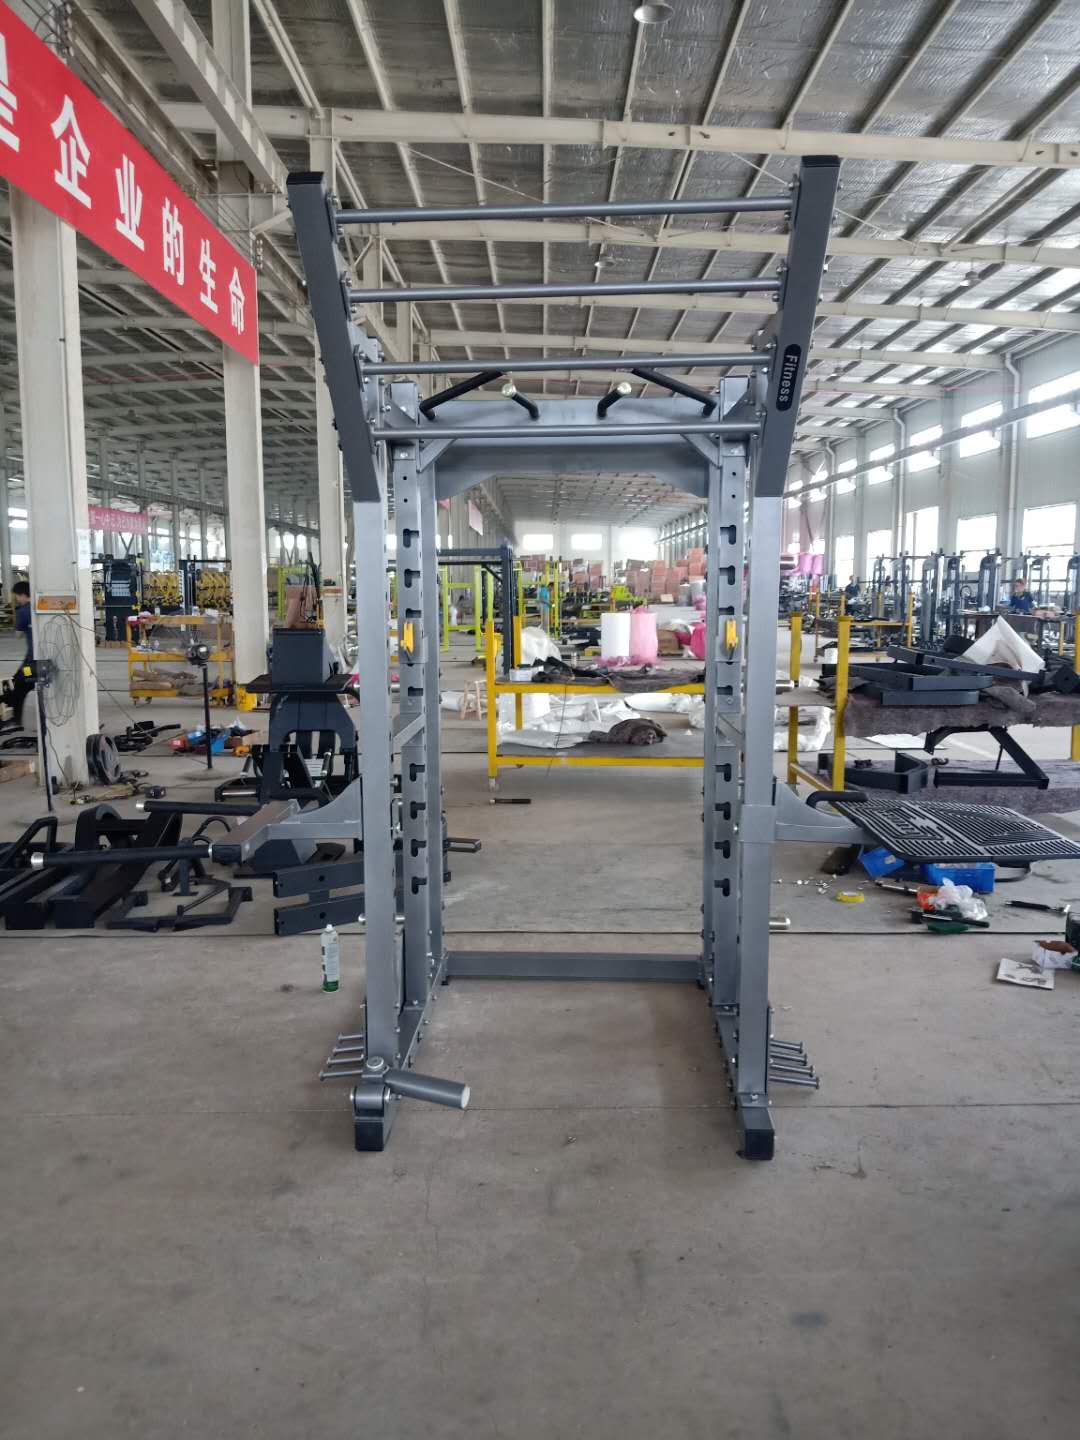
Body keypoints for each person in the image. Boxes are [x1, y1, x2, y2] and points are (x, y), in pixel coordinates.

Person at [8, 578, 34, 728]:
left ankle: (15, 721)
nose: (17, 599)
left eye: (17, 596)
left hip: (31, 662)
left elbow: (18, 635)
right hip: (36, 658)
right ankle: (14, 719)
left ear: (23, 595)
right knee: (18, 680)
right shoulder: (37, 606)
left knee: (19, 686)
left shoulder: (23, 611)